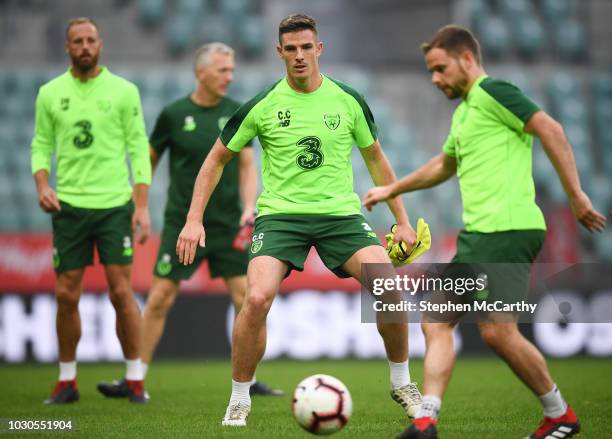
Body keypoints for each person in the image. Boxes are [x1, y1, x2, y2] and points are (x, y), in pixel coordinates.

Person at [177, 14, 424, 428]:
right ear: (279, 53)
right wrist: (193, 218)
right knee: (256, 299)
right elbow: (216, 159)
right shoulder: (263, 104)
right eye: (290, 49)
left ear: (319, 49)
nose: (299, 56)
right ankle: (240, 397)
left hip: (340, 216)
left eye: (306, 47)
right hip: (281, 216)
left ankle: (402, 383)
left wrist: (401, 218)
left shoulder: (347, 100)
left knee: (389, 285)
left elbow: (377, 159)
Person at [363, 25, 607, 439]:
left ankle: (560, 415)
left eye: (440, 69)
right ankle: (427, 420)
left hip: (509, 229)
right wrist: (393, 187)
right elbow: (445, 165)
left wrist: (577, 195)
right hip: (478, 235)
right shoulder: (464, 113)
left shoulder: (495, 92)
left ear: (468, 59)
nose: (436, 79)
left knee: (496, 330)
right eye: (430, 72)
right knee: (436, 320)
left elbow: (551, 129)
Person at [96, 43, 282, 398]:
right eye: (222, 70)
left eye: (232, 70)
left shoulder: (236, 112)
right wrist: (141, 205)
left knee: (249, 298)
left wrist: (248, 206)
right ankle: (134, 379)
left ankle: (249, 378)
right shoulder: (173, 114)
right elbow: (146, 161)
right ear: (201, 72)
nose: (230, 76)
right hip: (184, 224)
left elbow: (245, 165)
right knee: (161, 296)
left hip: (228, 225)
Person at [31, 17, 151, 404]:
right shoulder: (50, 93)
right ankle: (67, 380)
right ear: (67, 47)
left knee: (121, 292)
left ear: (101, 45)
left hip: (115, 206)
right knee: (66, 295)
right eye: (77, 41)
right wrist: (42, 184)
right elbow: (40, 144)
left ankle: (134, 379)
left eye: (90, 40)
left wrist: (141, 206)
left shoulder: (123, 91)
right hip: (70, 207)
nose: (84, 46)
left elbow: (138, 148)